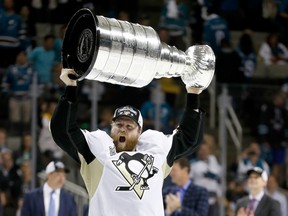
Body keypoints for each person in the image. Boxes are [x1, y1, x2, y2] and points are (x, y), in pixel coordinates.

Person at [50, 67, 205, 215]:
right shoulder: (97, 152)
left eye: (129, 126)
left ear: (139, 132)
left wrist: (193, 94)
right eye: (118, 125)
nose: (122, 129)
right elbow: (62, 131)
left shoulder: (155, 151)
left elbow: (189, 138)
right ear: (111, 128)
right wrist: (70, 87)